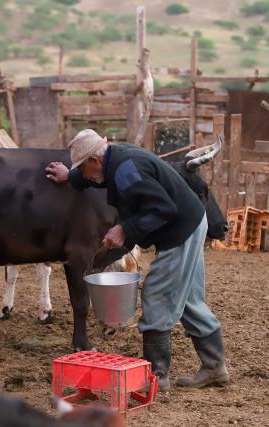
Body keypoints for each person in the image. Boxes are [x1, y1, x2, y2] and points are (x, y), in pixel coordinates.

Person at [45, 129, 229, 391]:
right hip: (192, 221)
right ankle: (214, 367)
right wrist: (70, 176)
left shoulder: (126, 171)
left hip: (180, 231)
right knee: (187, 298)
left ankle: (155, 377)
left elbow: (163, 208)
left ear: (94, 161)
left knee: (156, 293)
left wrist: (125, 229)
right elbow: (95, 178)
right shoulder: (115, 159)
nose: (83, 174)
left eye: (82, 168)